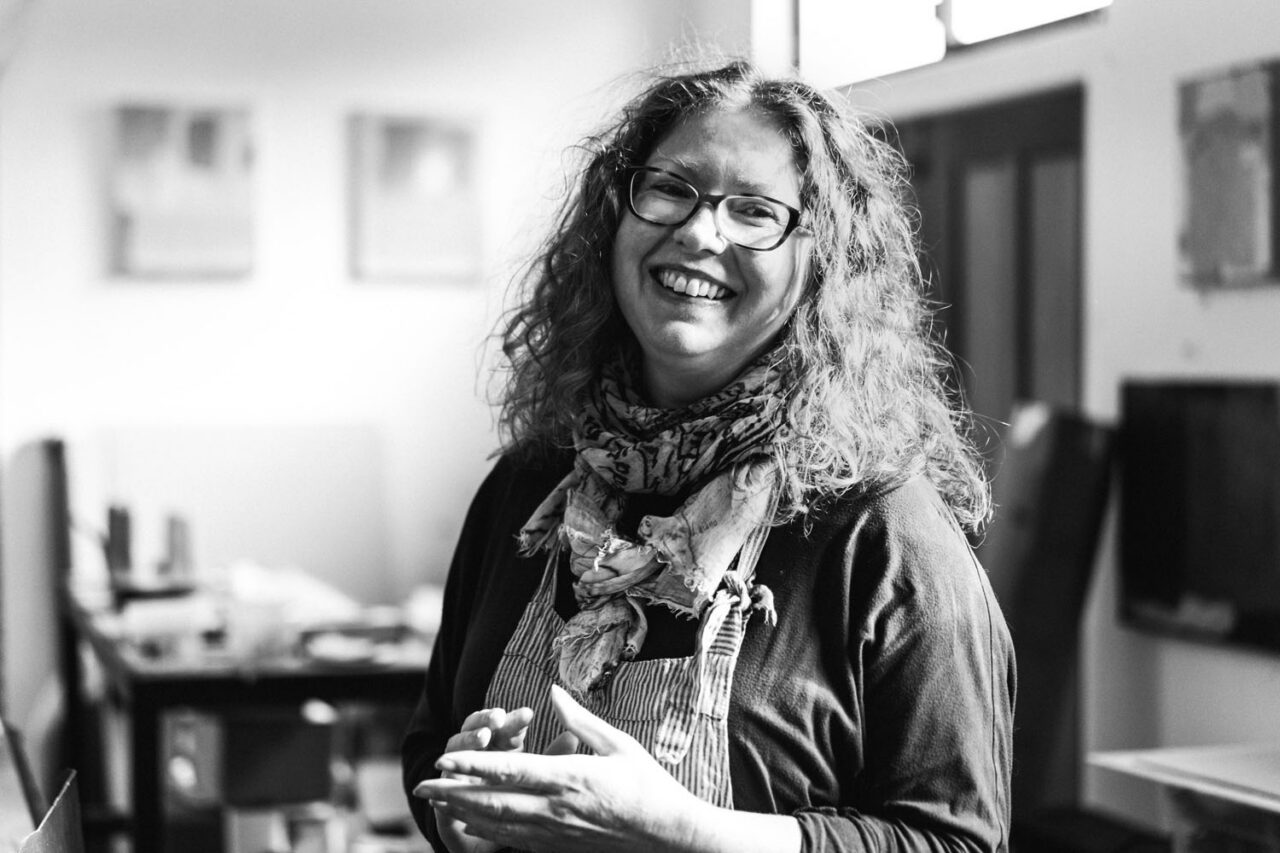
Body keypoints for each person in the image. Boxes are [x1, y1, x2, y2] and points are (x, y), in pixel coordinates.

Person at [402, 59, 1015, 853]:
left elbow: (958, 841)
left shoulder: (884, 531)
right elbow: (429, 742)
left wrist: (692, 833)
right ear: (613, 218)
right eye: (670, 190)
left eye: (755, 211)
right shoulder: (529, 484)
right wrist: (462, 812)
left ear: (819, 261)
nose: (698, 232)